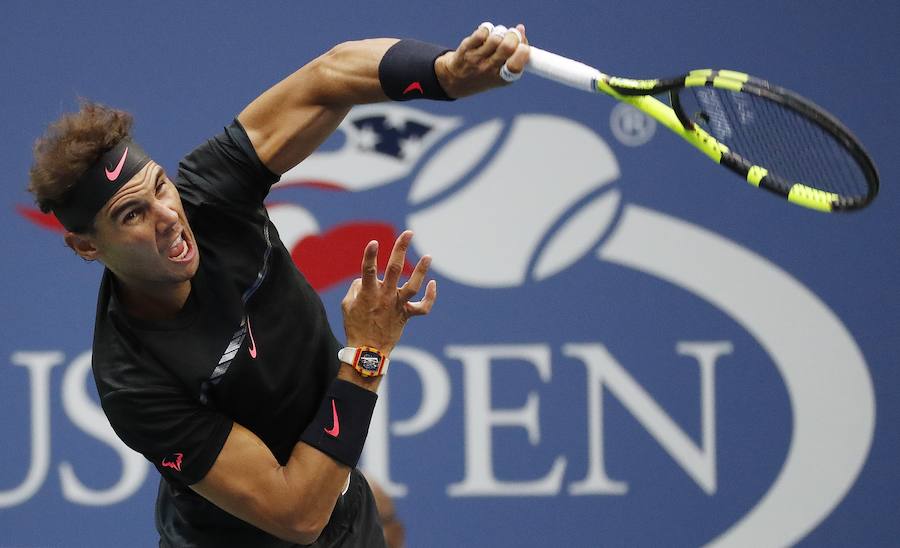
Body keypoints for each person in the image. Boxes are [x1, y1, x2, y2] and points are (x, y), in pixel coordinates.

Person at [26, 22, 528, 547]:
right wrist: (369, 350)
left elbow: (330, 76)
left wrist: (446, 73)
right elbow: (296, 513)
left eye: (160, 187)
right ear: (87, 246)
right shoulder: (133, 378)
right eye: (131, 214)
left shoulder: (210, 196)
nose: (168, 216)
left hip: (347, 515)